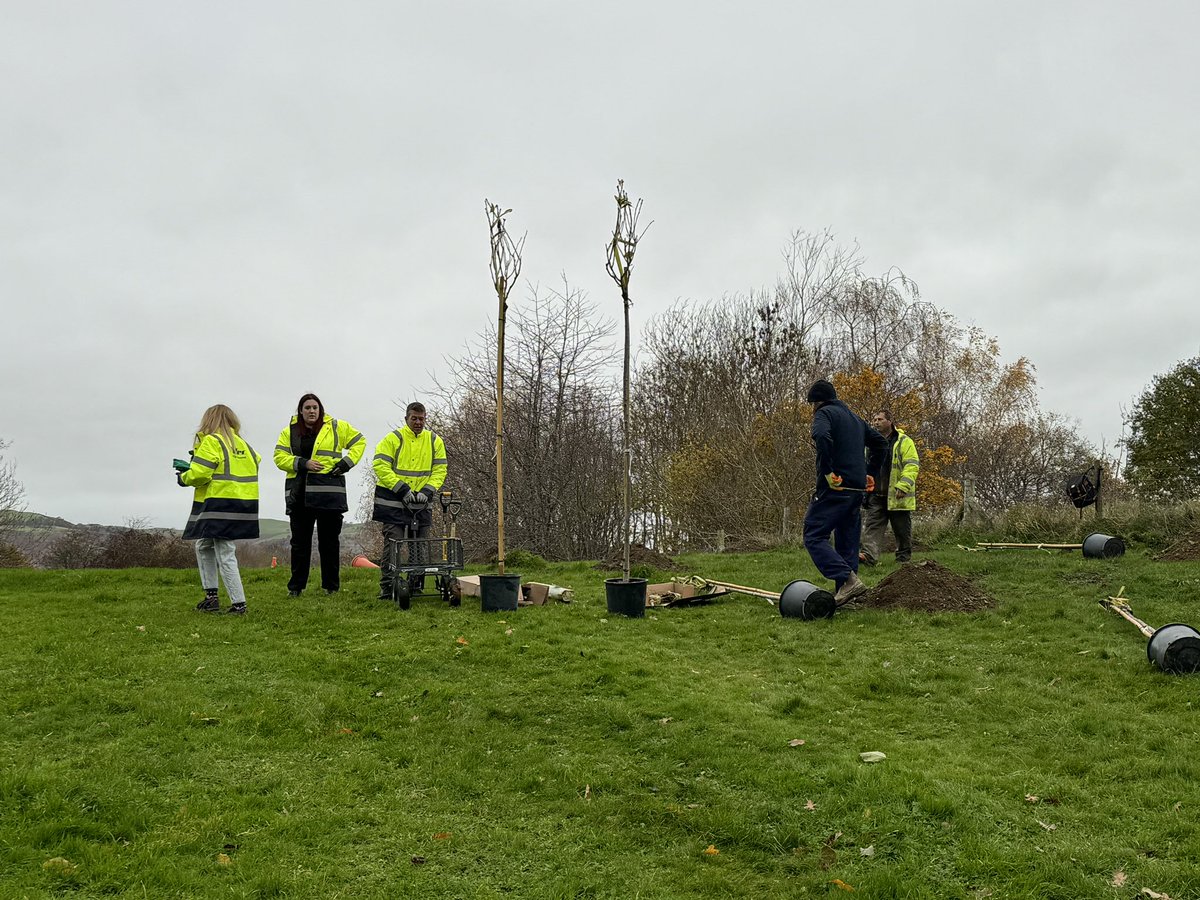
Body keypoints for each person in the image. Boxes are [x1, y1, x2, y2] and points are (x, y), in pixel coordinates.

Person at [802, 380, 888, 604]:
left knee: (814, 535)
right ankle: (849, 596)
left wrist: (828, 472)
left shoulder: (824, 414)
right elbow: (881, 443)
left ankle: (847, 580)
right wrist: (870, 472)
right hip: (856, 489)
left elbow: (821, 436)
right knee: (847, 542)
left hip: (835, 488)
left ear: (816, 403)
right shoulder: (855, 419)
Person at [273, 394, 365, 596]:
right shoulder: (289, 432)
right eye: (307, 408)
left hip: (329, 494)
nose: (312, 411)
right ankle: (296, 588)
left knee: (330, 542)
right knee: (299, 544)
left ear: (320, 409)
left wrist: (345, 464)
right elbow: (279, 457)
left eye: (315, 407)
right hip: (300, 495)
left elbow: (360, 442)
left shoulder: (337, 427)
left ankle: (331, 587)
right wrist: (302, 463)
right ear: (301, 411)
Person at [177, 404, 261, 615]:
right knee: (204, 544)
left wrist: (183, 476)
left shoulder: (212, 442)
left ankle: (239, 604)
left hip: (219, 503)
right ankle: (211, 596)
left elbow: (199, 474)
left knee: (225, 552)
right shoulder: (245, 445)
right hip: (245, 504)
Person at [371, 401, 448, 600]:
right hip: (393, 503)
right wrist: (402, 489)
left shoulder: (434, 441)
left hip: (421, 503)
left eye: (421, 419)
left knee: (419, 545)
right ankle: (387, 587)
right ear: (406, 418)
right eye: (414, 418)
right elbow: (380, 465)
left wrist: (428, 490)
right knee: (393, 545)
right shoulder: (393, 439)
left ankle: (415, 585)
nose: (418, 422)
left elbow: (440, 470)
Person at [860, 409, 920, 565]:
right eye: (874, 419)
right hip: (876, 494)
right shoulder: (870, 443)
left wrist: (904, 486)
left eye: (880, 419)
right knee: (872, 528)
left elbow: (912, 465)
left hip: (897, 494)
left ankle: (903, 559)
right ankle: (869, 557)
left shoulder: (904, 441)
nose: (876, 422)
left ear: (890, 421)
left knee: (901, 530)